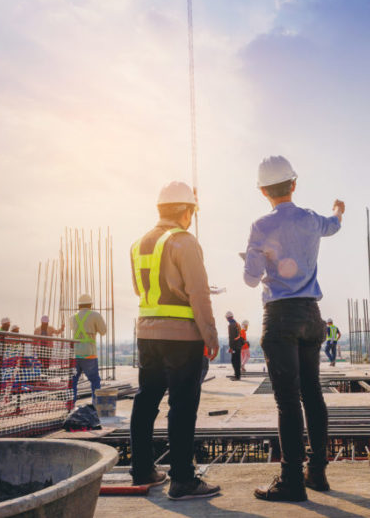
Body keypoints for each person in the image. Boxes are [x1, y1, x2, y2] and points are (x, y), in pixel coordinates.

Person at [243, 155, 345, 502]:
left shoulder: (260, 225)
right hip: (311, 315)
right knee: (313, 394)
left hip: (281, 317)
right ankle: (316, 473)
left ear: (262, 191)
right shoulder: (313, 220)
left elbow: (250, 278)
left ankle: (291, 481)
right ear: (294, 184)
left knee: (288, 402)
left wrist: (254, 258)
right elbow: (334, 224)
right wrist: (338, 210)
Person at [129, 181, 220, 499]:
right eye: (192, 212)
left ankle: (142, 471)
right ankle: (182, 479)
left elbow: (141, 290)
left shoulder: (139, 243)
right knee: (182, 406)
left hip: (146, 334)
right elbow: (198, 292)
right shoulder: (184, 241)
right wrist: (210, 334)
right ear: (186, 211)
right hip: (182, 337)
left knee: (146, 402)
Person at [71, 293, 107, 404]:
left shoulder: (73, 317)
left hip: (75, 353)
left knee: (73, 381)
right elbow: (103, 331)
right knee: (95, 380)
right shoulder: (95, 315)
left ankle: (70, 405)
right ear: (91, 304)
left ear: (79, 305)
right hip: (89, 353)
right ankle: (96, 407)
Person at [225, 311, 242, 380]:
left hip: (234, 346)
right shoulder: (237, 324)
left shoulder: (231, 325)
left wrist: (231, 347)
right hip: (238, 346)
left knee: (234, 360)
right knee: (237, 360)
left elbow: (232, 338)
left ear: (227, 318)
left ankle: (237, 376)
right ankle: (237, 375)